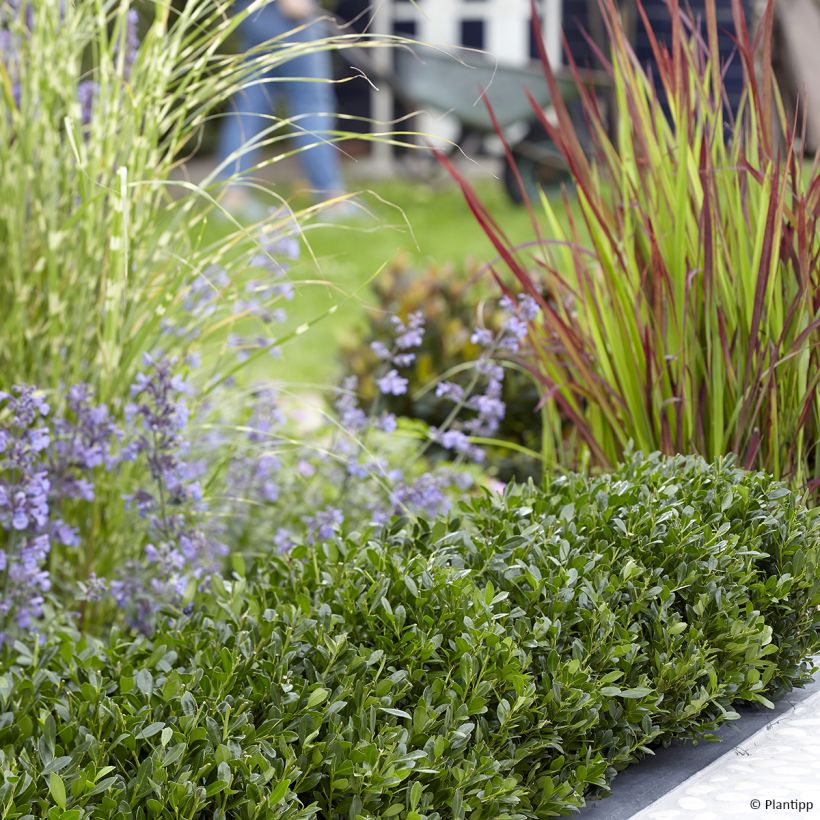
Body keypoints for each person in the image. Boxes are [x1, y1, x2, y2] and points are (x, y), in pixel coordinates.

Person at [218, 0, 347, 208]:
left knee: (251, 106)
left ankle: (232, 196)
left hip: (253, 14)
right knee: (311, 106)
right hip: (287, 19)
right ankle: (331, 199)